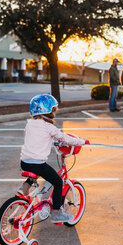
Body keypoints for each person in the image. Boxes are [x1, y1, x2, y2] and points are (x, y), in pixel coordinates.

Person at [17, 94, 88, 223]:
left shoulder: (30, 124)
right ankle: (56, 213)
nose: (54, 112)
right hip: (38, 164)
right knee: (58, 182)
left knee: (36, 171)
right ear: (47, 111)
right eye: (53, 110)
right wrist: (81, 141)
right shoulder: (49, 127)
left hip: (25, 162)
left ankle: (25, 186)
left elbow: (37, 139)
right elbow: (64, 138)